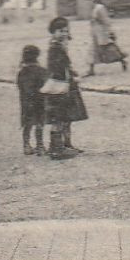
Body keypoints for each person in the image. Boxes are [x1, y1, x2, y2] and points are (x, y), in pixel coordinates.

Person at [42, 16, 88, 158]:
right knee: (60, 117)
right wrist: (69, 76)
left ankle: (67, 144)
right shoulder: (54, 48)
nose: (63, 34)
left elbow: (66, 64)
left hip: (66, 84)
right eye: (60, 31)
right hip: (60, 86)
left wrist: (72, 73)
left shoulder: (60, 45)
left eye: (65, 31)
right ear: (53, 32)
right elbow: (57, 68)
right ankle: (57, 147)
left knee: (68, 117)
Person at [16, 44, 47, 156]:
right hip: (40, 100)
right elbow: (46, 85)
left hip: (26, 101)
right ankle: (40, 146)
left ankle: (26, 145)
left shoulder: (21, 72)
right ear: (37, 56)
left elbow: (20, 86)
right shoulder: (42, 70)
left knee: (27, 124)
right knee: (39, 123)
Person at [86, 0, 128, 76]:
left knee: (109, 50)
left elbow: (106, 21)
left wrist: (109, 32)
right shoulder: (94, 8)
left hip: (102, 34)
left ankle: (122, 61)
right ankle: (91, 70)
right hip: (96, 33)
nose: (89, 1)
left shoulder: (100, 8)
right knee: (93, 51)